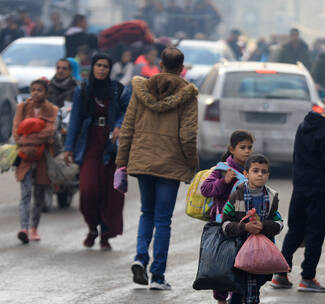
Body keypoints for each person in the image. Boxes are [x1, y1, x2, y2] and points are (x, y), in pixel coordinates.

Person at [116, 47, 199, 290]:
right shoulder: (187, 94)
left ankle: (140, 257)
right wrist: (191, 163)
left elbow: (127, 127)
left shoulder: (141, 90)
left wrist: (122, 161)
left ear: (160, 65)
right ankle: (158, 276)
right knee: (163, 220)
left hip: (142, 160)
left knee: (147, 213)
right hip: (170, 163)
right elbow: (188, 135)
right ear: (181, 68)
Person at [271, 97, 325, 292]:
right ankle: (307, 277)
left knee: (296, 229)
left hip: (300, 186)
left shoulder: (304, 125)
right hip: (318, 189)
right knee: (315, 232)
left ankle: (281, 274)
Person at [64, 54, 130, 251]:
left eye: (105, 66)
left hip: (112, 145)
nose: (101, 69)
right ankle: (92, 227)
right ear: (92, 67)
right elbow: (75, 119)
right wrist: (69, 147)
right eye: (98, 65)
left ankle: (105, 235)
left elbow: (129, 111)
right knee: (88, 190)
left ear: (110, 69)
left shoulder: (117, 89)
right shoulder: (82, 90)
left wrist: (119, 125)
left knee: (111, 193)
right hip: (90, 143)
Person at [222, 154, 283, 304]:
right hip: (238, 253)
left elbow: (279, 223)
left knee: (255, 286)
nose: (260, 175)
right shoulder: (236, 196)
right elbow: (224, 224)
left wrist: (263, 226)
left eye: (264, 172)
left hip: (260, 255)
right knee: (238, 289)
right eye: (256, 171)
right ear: (246, 174)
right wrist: (244, 227)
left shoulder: (271, 198)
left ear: (268, 174)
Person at [201, 130, 254, 304]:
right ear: (232, 149)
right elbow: (206, 189)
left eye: (249, 147)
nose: (247, 151)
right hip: (222, 225)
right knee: (222, 263)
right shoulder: (223, 169)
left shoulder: (251, 170)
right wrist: (223, 182)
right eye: (242, 147)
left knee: (241, 263)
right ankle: (221, 299)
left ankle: (237, 297)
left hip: (243, 226)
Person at [13, 79, 58, 244]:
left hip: (42, 158)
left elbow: (49, 132)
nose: (35, 93)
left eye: (39, 90)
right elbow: (16, 132)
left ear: (45, 92)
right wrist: (27, 143)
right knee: (25, 194)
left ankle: (34, 228)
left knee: (39, 195)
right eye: (33, 90)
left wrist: (29, 138)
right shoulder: (22, 108)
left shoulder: (52, 110)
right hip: (24, 157)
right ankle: (23, 228)